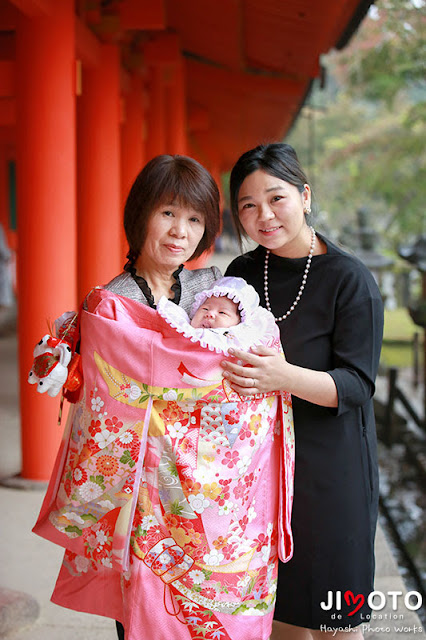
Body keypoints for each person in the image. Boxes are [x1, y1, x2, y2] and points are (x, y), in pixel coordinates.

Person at [31, 155, 295, 640]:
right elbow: (101, 395)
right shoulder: (111, 303)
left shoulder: (214, 289)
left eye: (195, 219)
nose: (181, 231)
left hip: (214, 490)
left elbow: (248, 358)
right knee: (145, 611)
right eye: (168, 213)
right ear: (140, 217)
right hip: (142, 492)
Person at [222, 143, 384, 639]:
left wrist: (283, 377)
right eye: (248, 205)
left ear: (305, 195)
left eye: (277, 198)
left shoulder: (350, 279)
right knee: (279, 617)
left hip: (332, 471)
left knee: (338, 620)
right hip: (262, 474)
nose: (264, 215)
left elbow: (357, 385)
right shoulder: (242, 275)